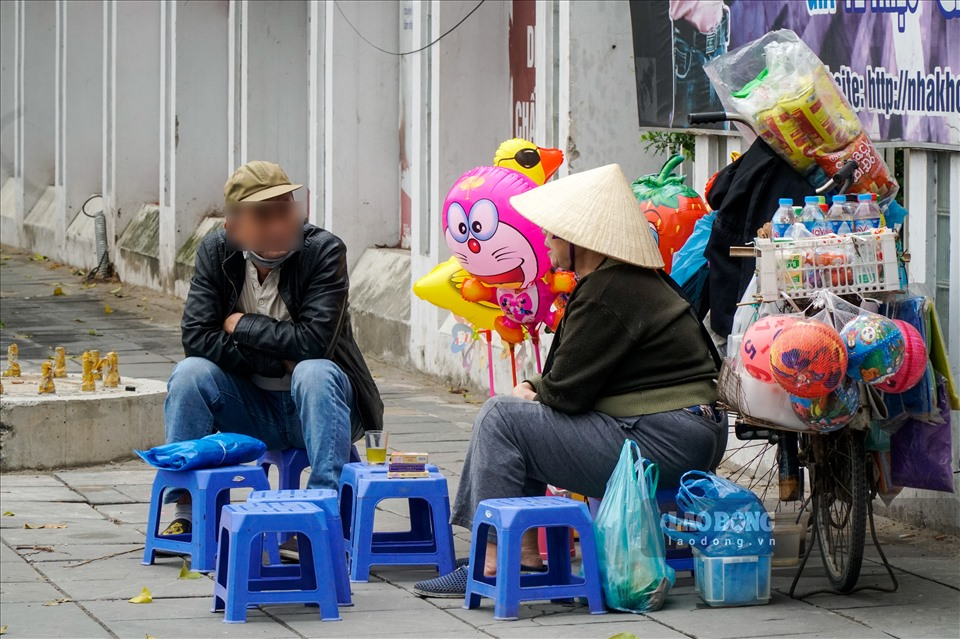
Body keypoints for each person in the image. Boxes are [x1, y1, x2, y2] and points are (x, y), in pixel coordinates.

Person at [414, 164, 726, 597]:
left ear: (580, 240)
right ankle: (520, 555)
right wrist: (537, 392)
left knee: (501, 417)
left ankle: (489, 560)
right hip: (686, 430)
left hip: (666, 438)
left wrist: (532, 390)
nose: (544, 241)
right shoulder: (628, 281)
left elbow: (566, 392)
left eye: (553, 234)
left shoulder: (608, 291)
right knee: (515, 421)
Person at [161, 160, 383, 548]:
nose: (279, 225)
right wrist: (273, 358)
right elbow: (196, 337)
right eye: (263, 215)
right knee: (190, 373)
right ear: (233, 227)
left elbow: (314, 344)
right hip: (249, 407)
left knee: (314, 371)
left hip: (317, 409)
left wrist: (241, 324)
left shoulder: (324, 251)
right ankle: (186, 507)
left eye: (286, 210)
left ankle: (319, 511)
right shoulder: (216, 252)